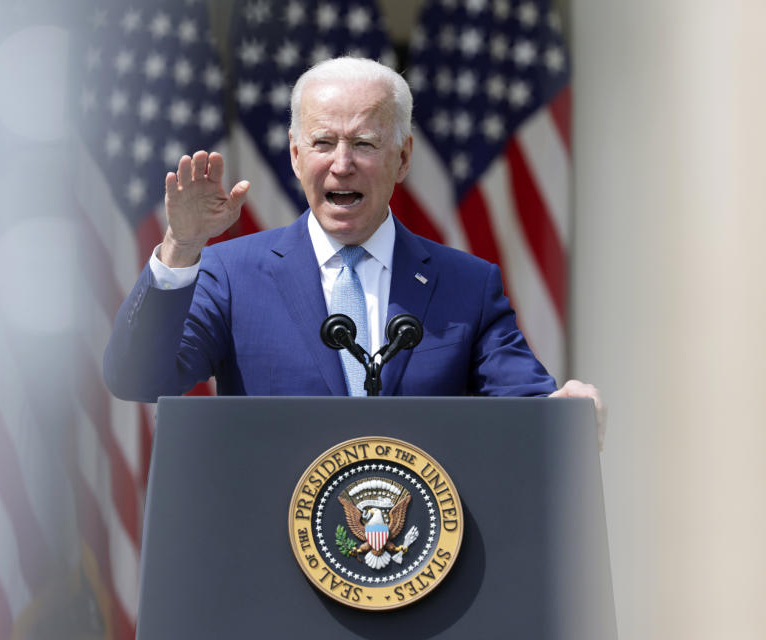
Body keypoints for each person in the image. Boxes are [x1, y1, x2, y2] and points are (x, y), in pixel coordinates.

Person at [103, 57, 604, 441]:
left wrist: (567, 407)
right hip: (272, 562)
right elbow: (136, 377)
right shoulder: (230, 275)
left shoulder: (467, 285)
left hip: (418, 562)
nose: (341, 165)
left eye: (364, 143)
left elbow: (530, 403)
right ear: (297, 156)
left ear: (403, 157)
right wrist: (182, 244)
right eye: (323, 143)